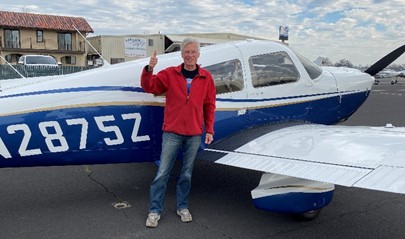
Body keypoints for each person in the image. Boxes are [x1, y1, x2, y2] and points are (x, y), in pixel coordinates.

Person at [140, 38, 216, 228]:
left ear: (198, 55)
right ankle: (154, 210)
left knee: (187, 174)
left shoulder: (206, 77)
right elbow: (150, 87)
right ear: (182, 54)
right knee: (162, 172)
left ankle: (182, 206)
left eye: (193, 52)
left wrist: (210, 130)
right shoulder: (170, 74)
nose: (190, 55)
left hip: (194, 134)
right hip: (172, 133)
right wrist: (149, 70)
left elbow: (209, 106)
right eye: (186, 52)